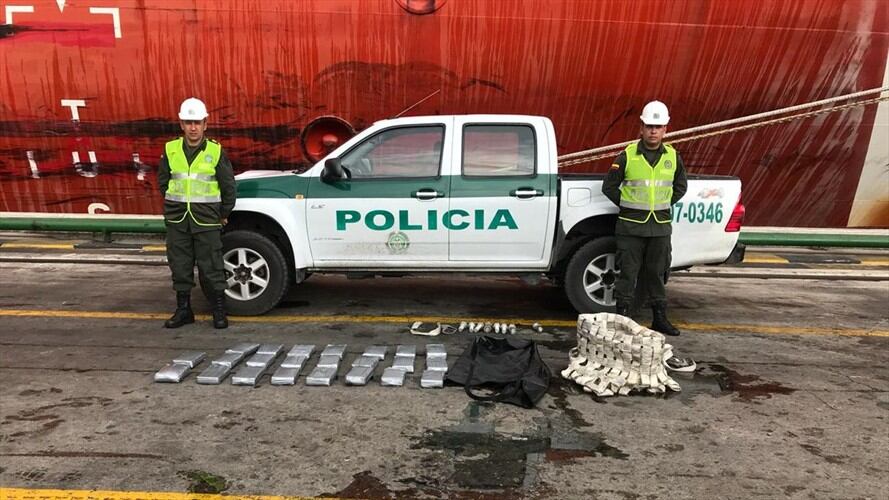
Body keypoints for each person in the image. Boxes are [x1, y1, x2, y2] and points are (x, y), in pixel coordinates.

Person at [601, 100, 687, 336]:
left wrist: (661, 205)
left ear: (665, 129)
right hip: (630, 228)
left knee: (657, 274)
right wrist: (628, 207)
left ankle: (659, 318)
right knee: (627, 274)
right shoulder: (627, 156)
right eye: (649, 125)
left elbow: (680, 187)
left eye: (658, 126)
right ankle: (623, 321)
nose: (653, 131)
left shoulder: (673, 157)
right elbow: (609, 187)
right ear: (641, 127)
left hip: (659, 228)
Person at [157, 97, 236, 329]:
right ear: (181, 124)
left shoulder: (215, 151)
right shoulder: (170, 150)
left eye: (197, 122)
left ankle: (219, 311)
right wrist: (174, 205)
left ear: (205, 124)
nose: (193, 127)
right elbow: (164, 182)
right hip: (178, 218)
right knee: (180, 265)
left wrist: (223, 212)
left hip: (207, 219)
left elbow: (228, 186)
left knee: (212, 265)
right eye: (188, 122)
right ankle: (183, 310)